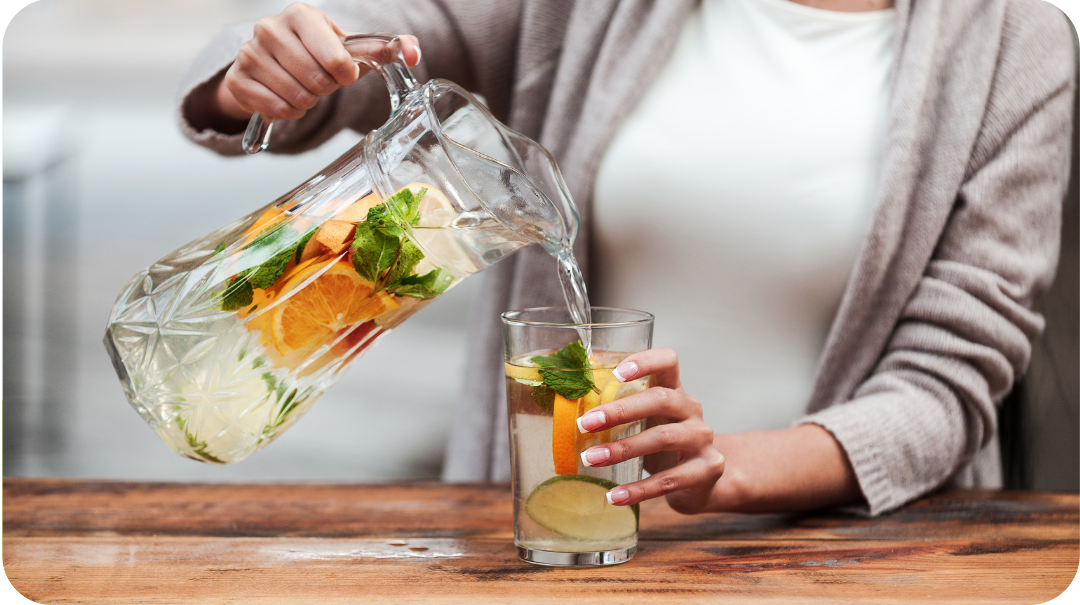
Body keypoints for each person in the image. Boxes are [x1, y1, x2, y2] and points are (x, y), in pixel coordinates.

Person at [180, 0, 1075, 516]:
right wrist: (271, 70)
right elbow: (402, 27)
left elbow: (952, 381)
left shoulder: (1017, 44)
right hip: (555, 546)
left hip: (849, 560)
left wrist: (729, 465)